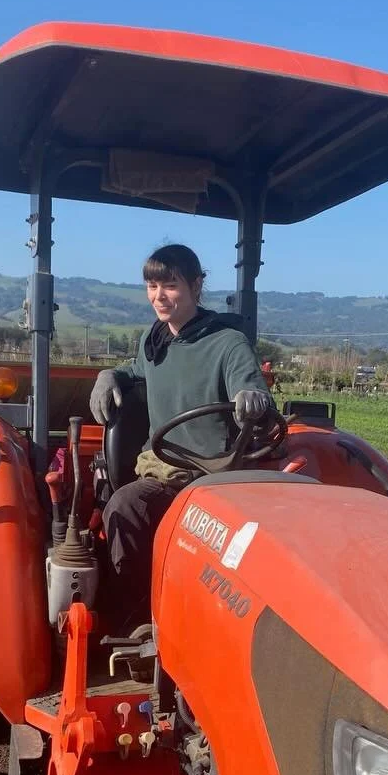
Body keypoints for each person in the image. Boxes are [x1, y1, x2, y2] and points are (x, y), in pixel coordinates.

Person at [89, 244, 272, 629]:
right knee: (124, 507)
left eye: (170, 285)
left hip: (215, 478)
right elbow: (135, 368)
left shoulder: (228, 343)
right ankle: (139, 617)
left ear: (196, 284)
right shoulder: (153, 341)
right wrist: (110, 375)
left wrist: (251, 398)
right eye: (152, 286)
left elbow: (251, 390)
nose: (159, 296)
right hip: (164, 474)